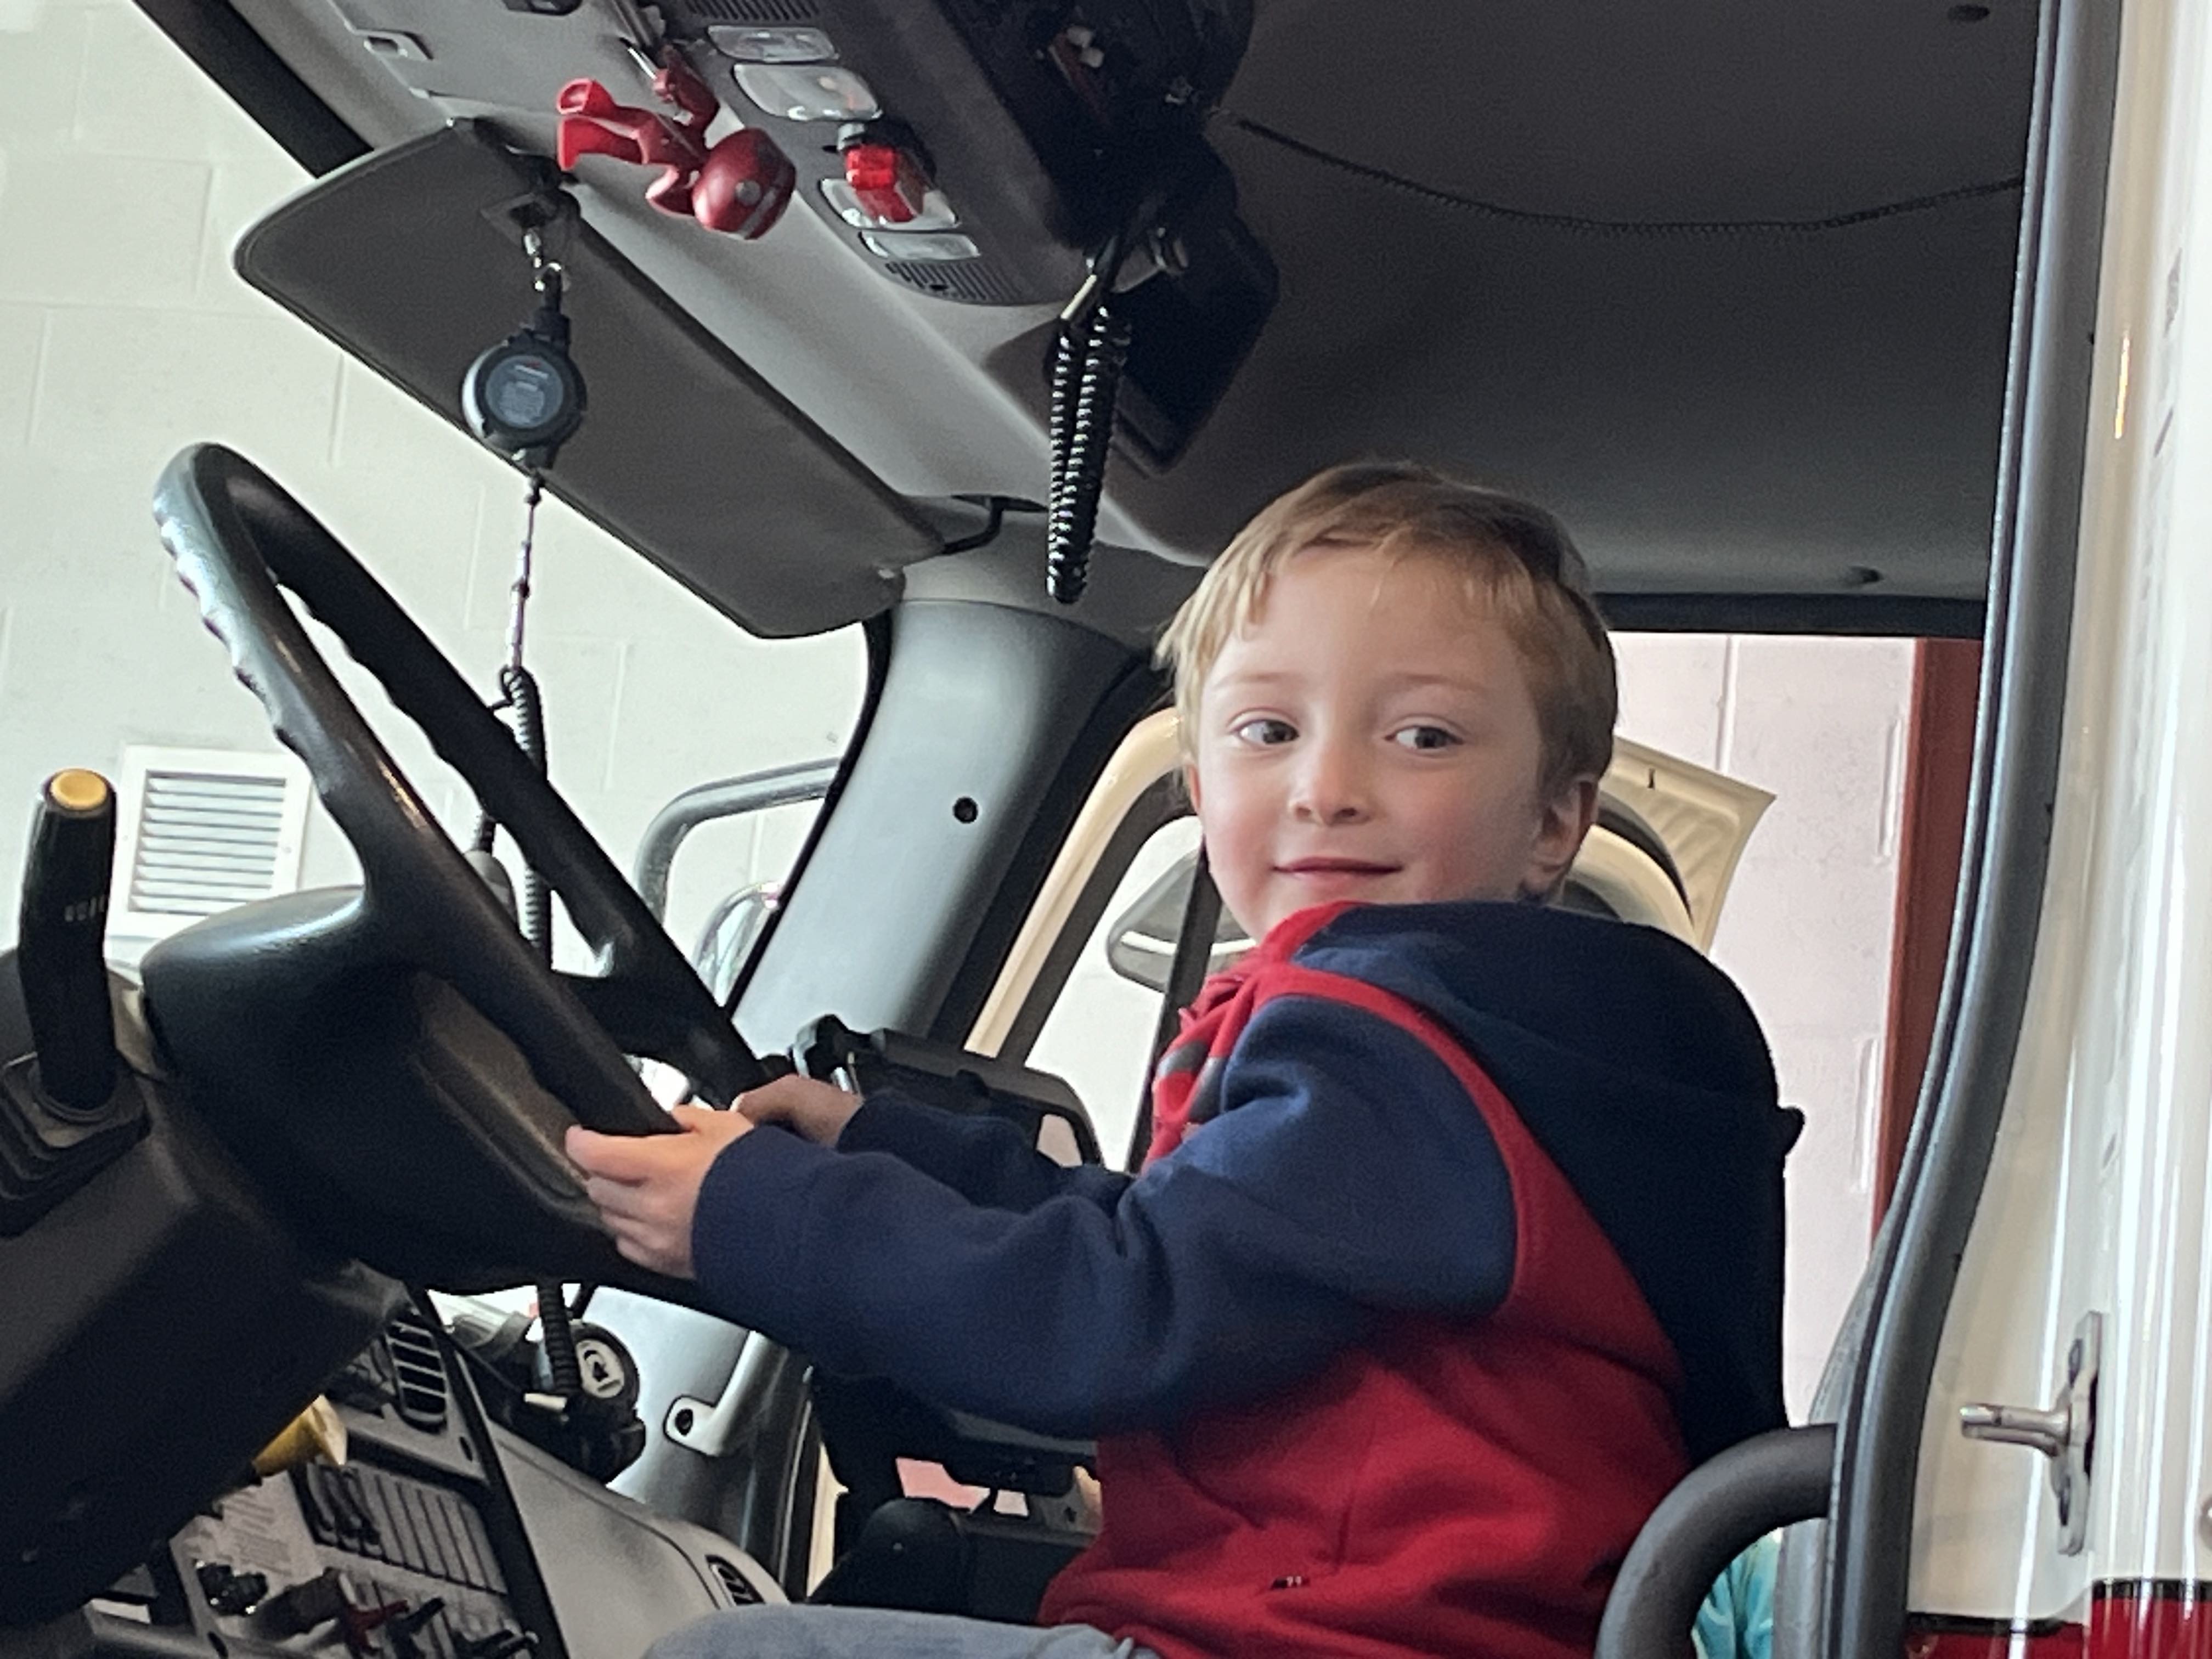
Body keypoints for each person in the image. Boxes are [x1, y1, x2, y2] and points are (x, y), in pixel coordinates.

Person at [566, 461, 1802, 1659]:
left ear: (1551, 821)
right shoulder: (1518, 1061)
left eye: (1423, 737)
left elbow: (1121, 1314)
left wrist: (758, 1214)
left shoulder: (1406, 1045)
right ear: (1202, 785)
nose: (1326, 788)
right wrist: (884, 1144)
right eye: (1269, 730)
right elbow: (1192, 1245)